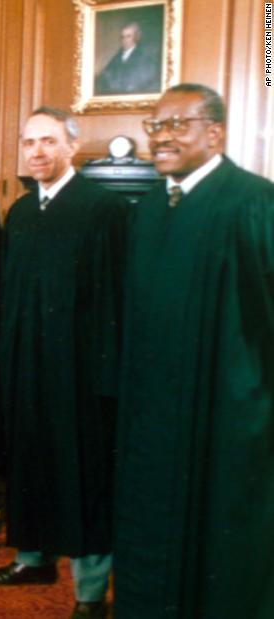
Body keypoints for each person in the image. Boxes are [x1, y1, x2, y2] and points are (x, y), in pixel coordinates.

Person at [114, 83, 274, 618]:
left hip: (226, 419)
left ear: (216, 132)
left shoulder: (254, 201)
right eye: (155, 126)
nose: (161, 138)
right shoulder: (150, 208)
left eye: (177, 125)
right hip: (154, 421)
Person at [0, 108, 127, 619]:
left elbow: (115, 299)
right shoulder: (20, 212)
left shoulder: (102, 209)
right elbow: (6, 294)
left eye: (47, 142)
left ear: (71, 146)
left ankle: (89, 592)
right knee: (28, 461)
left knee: (83, 475)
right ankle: (32, 558)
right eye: (29, 142)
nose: (36, 152)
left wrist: (106, 379)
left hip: (80, 376)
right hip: (26, 366)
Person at [94, 22, 160, 96]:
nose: (125, 40)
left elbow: (146, 80)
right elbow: (105, 76)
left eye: (128, 36)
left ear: (136, 37)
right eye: (122, 37)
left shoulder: (145, 56)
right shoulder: (117, 57)